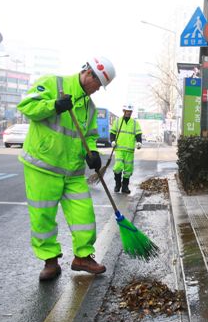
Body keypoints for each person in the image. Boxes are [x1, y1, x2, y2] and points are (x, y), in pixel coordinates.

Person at [17, 56, 116, 281]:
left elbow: (89, 136)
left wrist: (92, 154)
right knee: (43, 217)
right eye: (97, 84)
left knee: (84, 215)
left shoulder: (89, 107)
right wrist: (53, 106)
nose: (97, 89)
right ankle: (50, 261)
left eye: (101, 87)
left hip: (72, 172)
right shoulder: (54, 84)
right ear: (88, 73)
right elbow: (27, 107)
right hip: (43, 166)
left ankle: (82, 256)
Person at [110, 104, 142, 194]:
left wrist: (139, 142)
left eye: (130, 111)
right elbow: (112, 132)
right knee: (117, 167)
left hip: (130, 150)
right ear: (123, 111)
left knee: (128, 170)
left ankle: (125, 187)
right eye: (127, 111)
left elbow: (138, 134)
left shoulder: (135, 123)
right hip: (119, 149)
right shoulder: (117, 121)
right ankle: (117, 184)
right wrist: (112, 141)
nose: (128, 113)